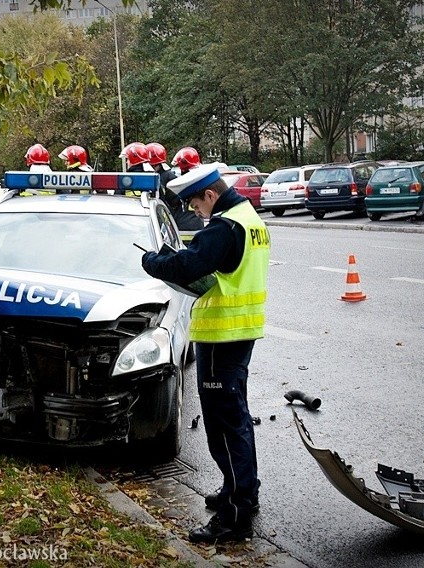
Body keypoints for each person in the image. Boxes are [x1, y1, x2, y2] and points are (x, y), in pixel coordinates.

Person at [140, 163, 270, 544]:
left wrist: (152, 261)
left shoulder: (224, 226)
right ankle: (242, 491)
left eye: (196, 205)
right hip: (241, 333)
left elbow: (188, 264)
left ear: (210, 195)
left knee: (224, 428)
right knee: (238, 418)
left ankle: (234, 519)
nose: (195, 213)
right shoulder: (248, 217)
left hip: (221, 336)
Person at [146, 142, 204, 231]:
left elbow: (172, 201)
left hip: (182, 228)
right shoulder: (199, 180)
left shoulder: (172, 180)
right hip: (198, 226)